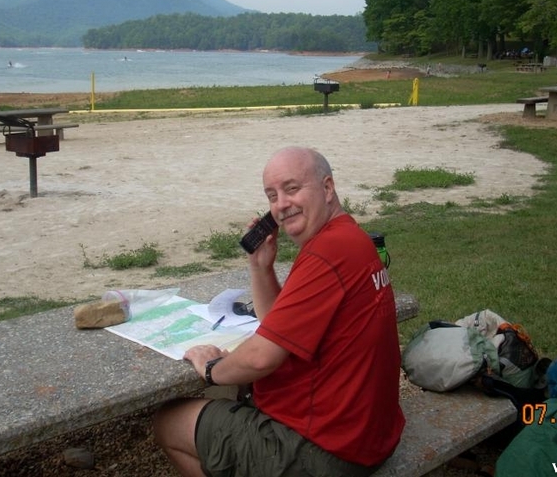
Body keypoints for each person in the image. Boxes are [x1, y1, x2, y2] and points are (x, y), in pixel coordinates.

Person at [154, 146, 405, 477]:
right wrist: (261, 268)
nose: (281, 205)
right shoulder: (351, 239)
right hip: (368, 437)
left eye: (291, 189)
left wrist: (212, 369)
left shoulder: (326, 254)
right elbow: (280, 329)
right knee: (240, 392)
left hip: (325, 451)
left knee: (168, 422)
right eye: (272, 196)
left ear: (327, 188)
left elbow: (262, 358)